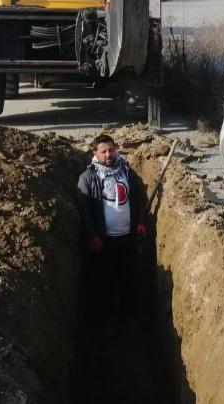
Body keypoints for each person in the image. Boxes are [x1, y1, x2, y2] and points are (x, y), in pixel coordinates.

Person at [77, 135, 147, 319]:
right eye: (104, 151)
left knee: (127, 279)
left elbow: (140, 199)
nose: (109, 154)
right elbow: (85, 211)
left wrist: (140, 222)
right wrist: (92, 236)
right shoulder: (88, 178)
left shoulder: (127, 172)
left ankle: (127, 319)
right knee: (104, 284)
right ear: (95, 153)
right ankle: (104, 322)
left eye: (111, 150)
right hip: (103, 242)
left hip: (127, 238)